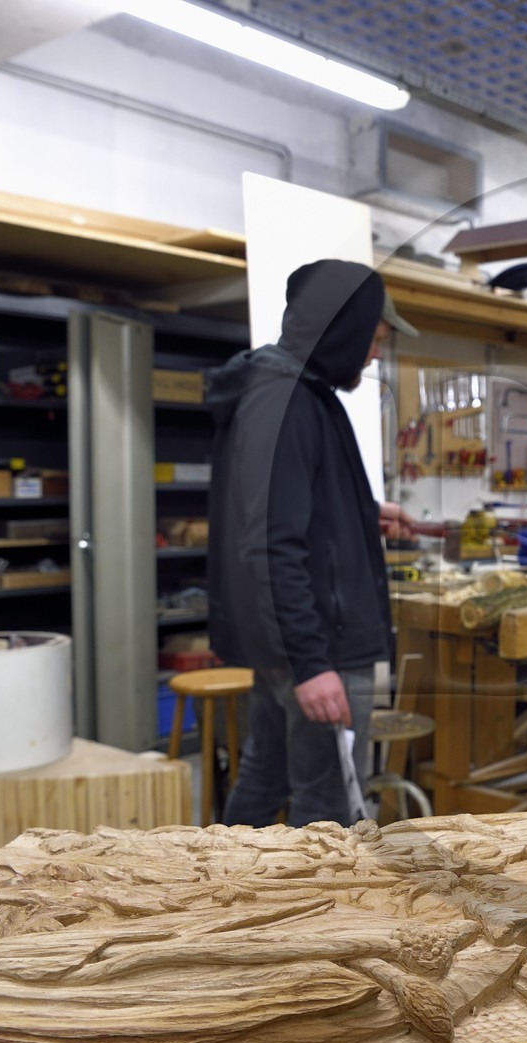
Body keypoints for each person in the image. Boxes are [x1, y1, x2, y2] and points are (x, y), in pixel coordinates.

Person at [206, 259, 417, 827]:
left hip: (296, 641)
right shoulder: (288, 403)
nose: (374, 355)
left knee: (265, 776)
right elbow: (269, 543)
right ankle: (311, 895)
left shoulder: (287, 393)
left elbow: (280, 507)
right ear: (342, 330)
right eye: (373, 339)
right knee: (327, 811)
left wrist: (362, 515)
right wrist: (311, 664)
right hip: (321, 644)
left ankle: (217, 878)